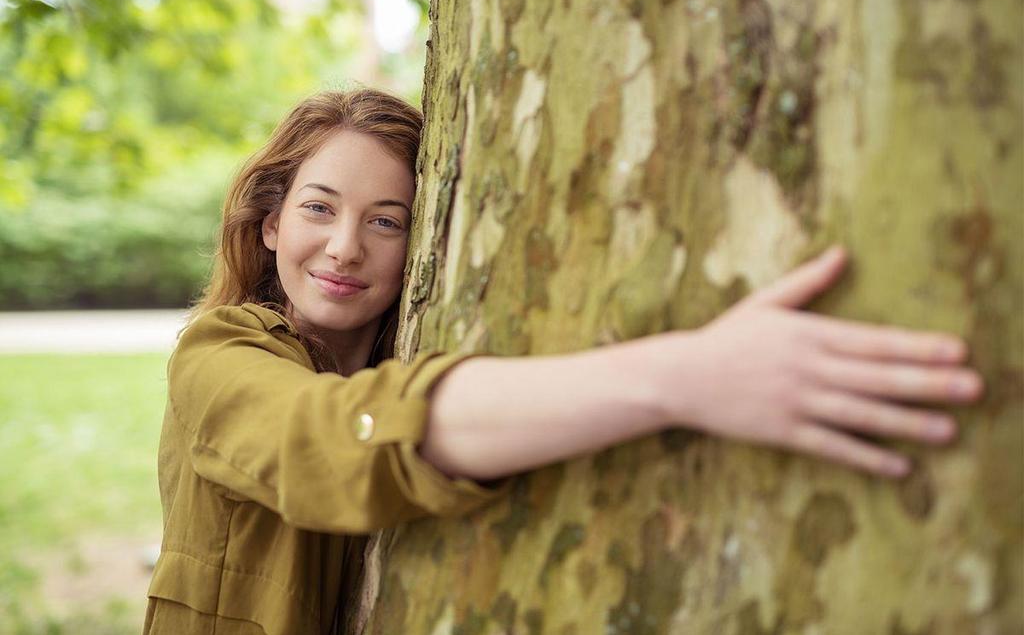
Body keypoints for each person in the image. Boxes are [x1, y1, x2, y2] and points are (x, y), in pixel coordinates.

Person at [143, 88, 983, 634]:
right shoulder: (216, 355)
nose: (344, 247)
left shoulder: (423, 347)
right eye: (318, 208)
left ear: (423, 242)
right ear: (269, 224)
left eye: (387, 220)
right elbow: (322, 441)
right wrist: (690, 375)